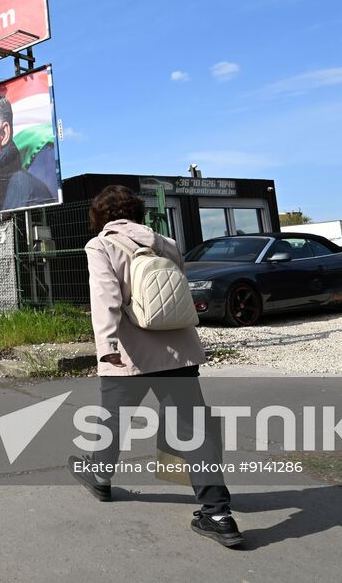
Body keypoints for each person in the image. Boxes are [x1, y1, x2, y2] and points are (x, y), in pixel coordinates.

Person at [68, 184, 243, 549]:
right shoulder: (166, 243)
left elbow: (105, 298)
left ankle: (100, 476)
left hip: (131, 350)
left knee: (113, 418)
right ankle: (218, 513)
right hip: (177, 348)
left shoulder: (101, 245)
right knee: (192, 427)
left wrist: (108, 347)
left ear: (99, 216)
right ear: (138, 213)